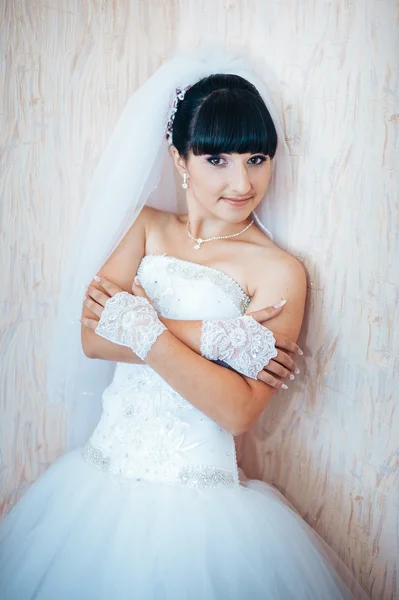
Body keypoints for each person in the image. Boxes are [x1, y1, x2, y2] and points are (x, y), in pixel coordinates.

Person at [0, 48, 369, 599]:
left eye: (256, 158)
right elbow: (93, 338)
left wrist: (146, 325)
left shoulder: (281, 271)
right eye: (217, 160)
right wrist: (217, 339)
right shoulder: (145, 227)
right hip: (97, 484)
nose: (242, 182)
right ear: (180, 159)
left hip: (202, 507)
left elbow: (237, 409)